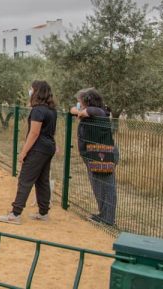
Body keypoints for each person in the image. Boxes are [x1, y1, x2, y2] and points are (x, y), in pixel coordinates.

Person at [0, 80, 57, 225]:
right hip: (48, 148)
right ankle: (43, 212)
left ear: (37, 91)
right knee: (42, 181)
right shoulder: (51, 110)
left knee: (25, 180)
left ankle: (15, 214)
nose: (30, 91)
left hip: (37, 149)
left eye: (31, 89)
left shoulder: (37, 110)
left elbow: (34, 133)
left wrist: (23, 152)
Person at [71, 88, 117, 226]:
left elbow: (87, 112)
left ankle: (108, 219)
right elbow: (73, 110)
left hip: (102, 155)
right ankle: (103, 215)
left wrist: (80, 112)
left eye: (80, 101)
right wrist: (78, 111)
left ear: (88, 101)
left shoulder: (99, 112)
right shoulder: (90, 113)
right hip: (93, 154)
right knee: (98, 186)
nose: (78, 104)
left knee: (106, 187)